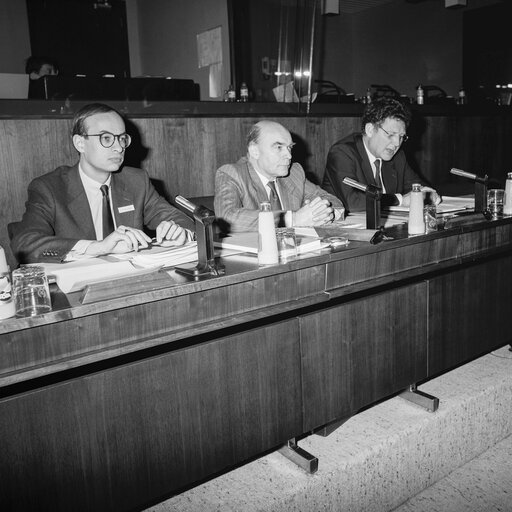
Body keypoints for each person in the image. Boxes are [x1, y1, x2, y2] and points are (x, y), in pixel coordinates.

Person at [11, 103, 193, 263]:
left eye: (122, 138)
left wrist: (178, 231)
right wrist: (98, 247)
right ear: (80, 143)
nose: (119, 147)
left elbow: (183, 222)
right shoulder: (49, 188)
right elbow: (24, 244)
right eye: (106, 138)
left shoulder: (137, 181)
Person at [214, 120, 345, 233]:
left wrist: (322, 213)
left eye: (289, 147)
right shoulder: (232, 174)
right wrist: (292, 219)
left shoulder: (293, 173)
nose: (289, 155)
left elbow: (333, 201)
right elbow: (225, 218)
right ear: (254, 151)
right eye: (278, 147)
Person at [322, 97, 441, 213]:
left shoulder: (397, 156)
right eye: (390, 134)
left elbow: (417, 186)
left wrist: (428, 193)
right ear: (370, 130)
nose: (396, 143)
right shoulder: (342, 153)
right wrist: (400, 200)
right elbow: (352, 202)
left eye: (401, 137)